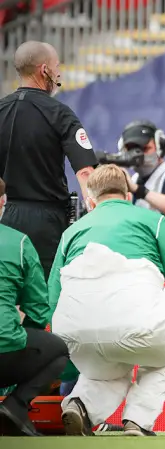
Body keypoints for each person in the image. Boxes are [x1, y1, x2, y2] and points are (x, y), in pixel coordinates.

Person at [48, 164, 165, 437]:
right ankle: (138, 420)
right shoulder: (152, 221)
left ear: (90, 202)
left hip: (76, 331)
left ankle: (79, 405)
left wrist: (68, 363)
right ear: (128, 196)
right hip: (138, 324)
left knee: (109, 367)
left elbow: (53, 298)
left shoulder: (71, 232)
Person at [0, 41, 96, 279]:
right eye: (57, 67)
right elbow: (85, 172)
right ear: (44, 70)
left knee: (8, 289)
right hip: (47, 223)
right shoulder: (60, 114)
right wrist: (97, 214)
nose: (59, 73)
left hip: (6, 216)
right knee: (45, 291)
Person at [0, 176, 69, 437]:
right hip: (5, 348)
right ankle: (15, 406)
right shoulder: (18, 243)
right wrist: (18, 337)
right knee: (58, 350)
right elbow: (39, 310)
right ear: (3, 202)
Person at [118, 120, 165, 237]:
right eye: (131, 150)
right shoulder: (134, 179)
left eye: (145, 148)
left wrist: (139, 191)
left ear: (160, 146)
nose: (138, 155)